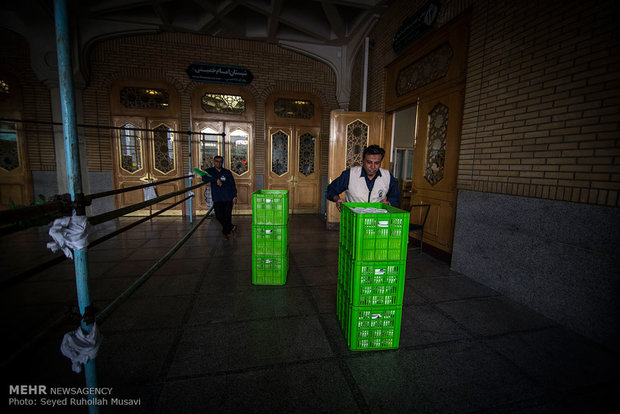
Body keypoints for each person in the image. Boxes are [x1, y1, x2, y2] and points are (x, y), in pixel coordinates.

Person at [326, 145, 400, 211]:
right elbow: (331, 190)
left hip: (377, 220)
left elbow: (395, 195)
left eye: (376, 163)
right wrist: (337, 199)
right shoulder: (350, 174)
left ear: (380, 163)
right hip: (355, 219)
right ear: (363, 161)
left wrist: (389, 203)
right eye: (369, 162)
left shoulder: (387, 176)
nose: (372, 166)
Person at [198, 155, 238, 239]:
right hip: (217, 198)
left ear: (222, 163)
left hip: (228, 197)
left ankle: (225, 233)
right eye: (216, 161)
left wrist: (234, 196)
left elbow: (232, 185)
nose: (218, 163)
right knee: (219, 216)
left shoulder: (227, 172)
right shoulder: (210, 171)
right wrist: (215, 180)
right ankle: (232, 227)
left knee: (227, 216)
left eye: (220, 162)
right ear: (214, 162)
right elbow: (203, 177)